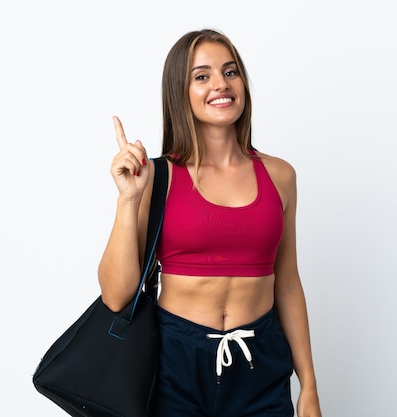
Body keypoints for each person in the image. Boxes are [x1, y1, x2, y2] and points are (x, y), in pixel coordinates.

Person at [98, 29, 322, 417]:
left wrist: (309, 389)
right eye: (202, 76)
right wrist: (128, 199)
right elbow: (117, 296)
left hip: (261, 363)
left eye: (230, 72)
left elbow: (287, 283)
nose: (221, 84)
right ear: (179, 91)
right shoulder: (157, 178)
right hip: (176, 364)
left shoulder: (280, 176)